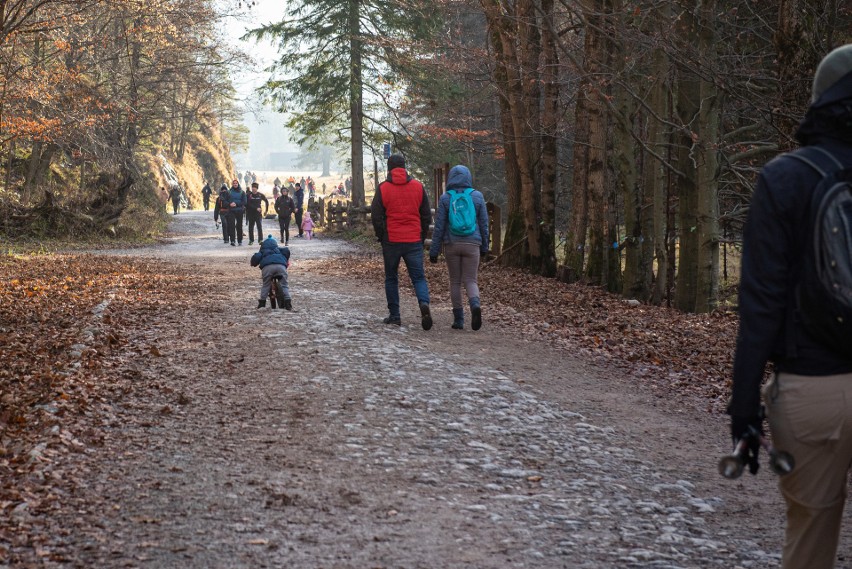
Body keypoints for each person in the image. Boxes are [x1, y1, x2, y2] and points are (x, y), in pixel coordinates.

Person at [728, 44, 852, 569]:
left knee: (810, 540)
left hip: (812, 386)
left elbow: (761, 306)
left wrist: (744, 409)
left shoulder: (786, 178)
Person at [371, 153, 432, 329]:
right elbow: (426, 215)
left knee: (391, 278)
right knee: (418, 277)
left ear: (389, 168)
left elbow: (376, 216)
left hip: (392, 240)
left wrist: (382, 235)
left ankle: (395, 315)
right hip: (413, 239)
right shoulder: (418, 187)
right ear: (405, 167)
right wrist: (420, 236)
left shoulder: (383, 188)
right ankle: (423, 303)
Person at [429, 165, 489, 331]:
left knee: (455, 281)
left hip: (452, 245)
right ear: (468, 177)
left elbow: (439, 226)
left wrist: (434, 251)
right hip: (473, 245)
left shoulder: (446, 198)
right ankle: (475, 304)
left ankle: (459, 320)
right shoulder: (477, 197)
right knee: (471, 279)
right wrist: (485, 246)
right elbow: (484, 224)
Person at [250, 235, 292, 310]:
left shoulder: (262, 251)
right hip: (281, 266)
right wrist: (285, 259)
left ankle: (262, 303)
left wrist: (253, 263)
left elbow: (256, 258)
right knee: (284, 284)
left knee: (266, 285)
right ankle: (288, 302)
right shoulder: (279, 250)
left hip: (267, 267)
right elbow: (286, 251)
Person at [226, 179, 246, 246]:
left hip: (239, 210)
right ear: (232, 184)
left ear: (238, 184)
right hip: (231, 211)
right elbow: (225, 201)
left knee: (239, 226)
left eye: (236, 183)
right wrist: (229, 204)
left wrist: (236, 204)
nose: (235, 184)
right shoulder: (229, 192)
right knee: (231, 226)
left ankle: (240, 240)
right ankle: (232, 240)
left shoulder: (242, 192)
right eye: (234, 183)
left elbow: (244, 201)